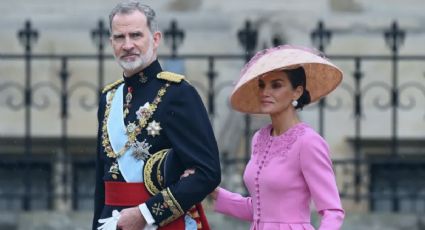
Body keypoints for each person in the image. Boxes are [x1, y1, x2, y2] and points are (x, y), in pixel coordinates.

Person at [92, 1, 221, 230]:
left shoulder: (178, 93)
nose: (127, 44)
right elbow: (102, 182)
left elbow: (207, 173)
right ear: (111, 42)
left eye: (136, 35)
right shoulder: (109, 97)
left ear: (155, 39)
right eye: (119, 37)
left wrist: (146, 214)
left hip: (162, 224)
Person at [211, 45, 345, 230]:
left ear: (297, 92)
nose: (265, 92)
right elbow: (260, 210)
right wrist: (215, 193)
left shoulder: (308, 142)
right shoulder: (259, 138)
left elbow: (333, 211)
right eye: (262, 85)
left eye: (276, 85)